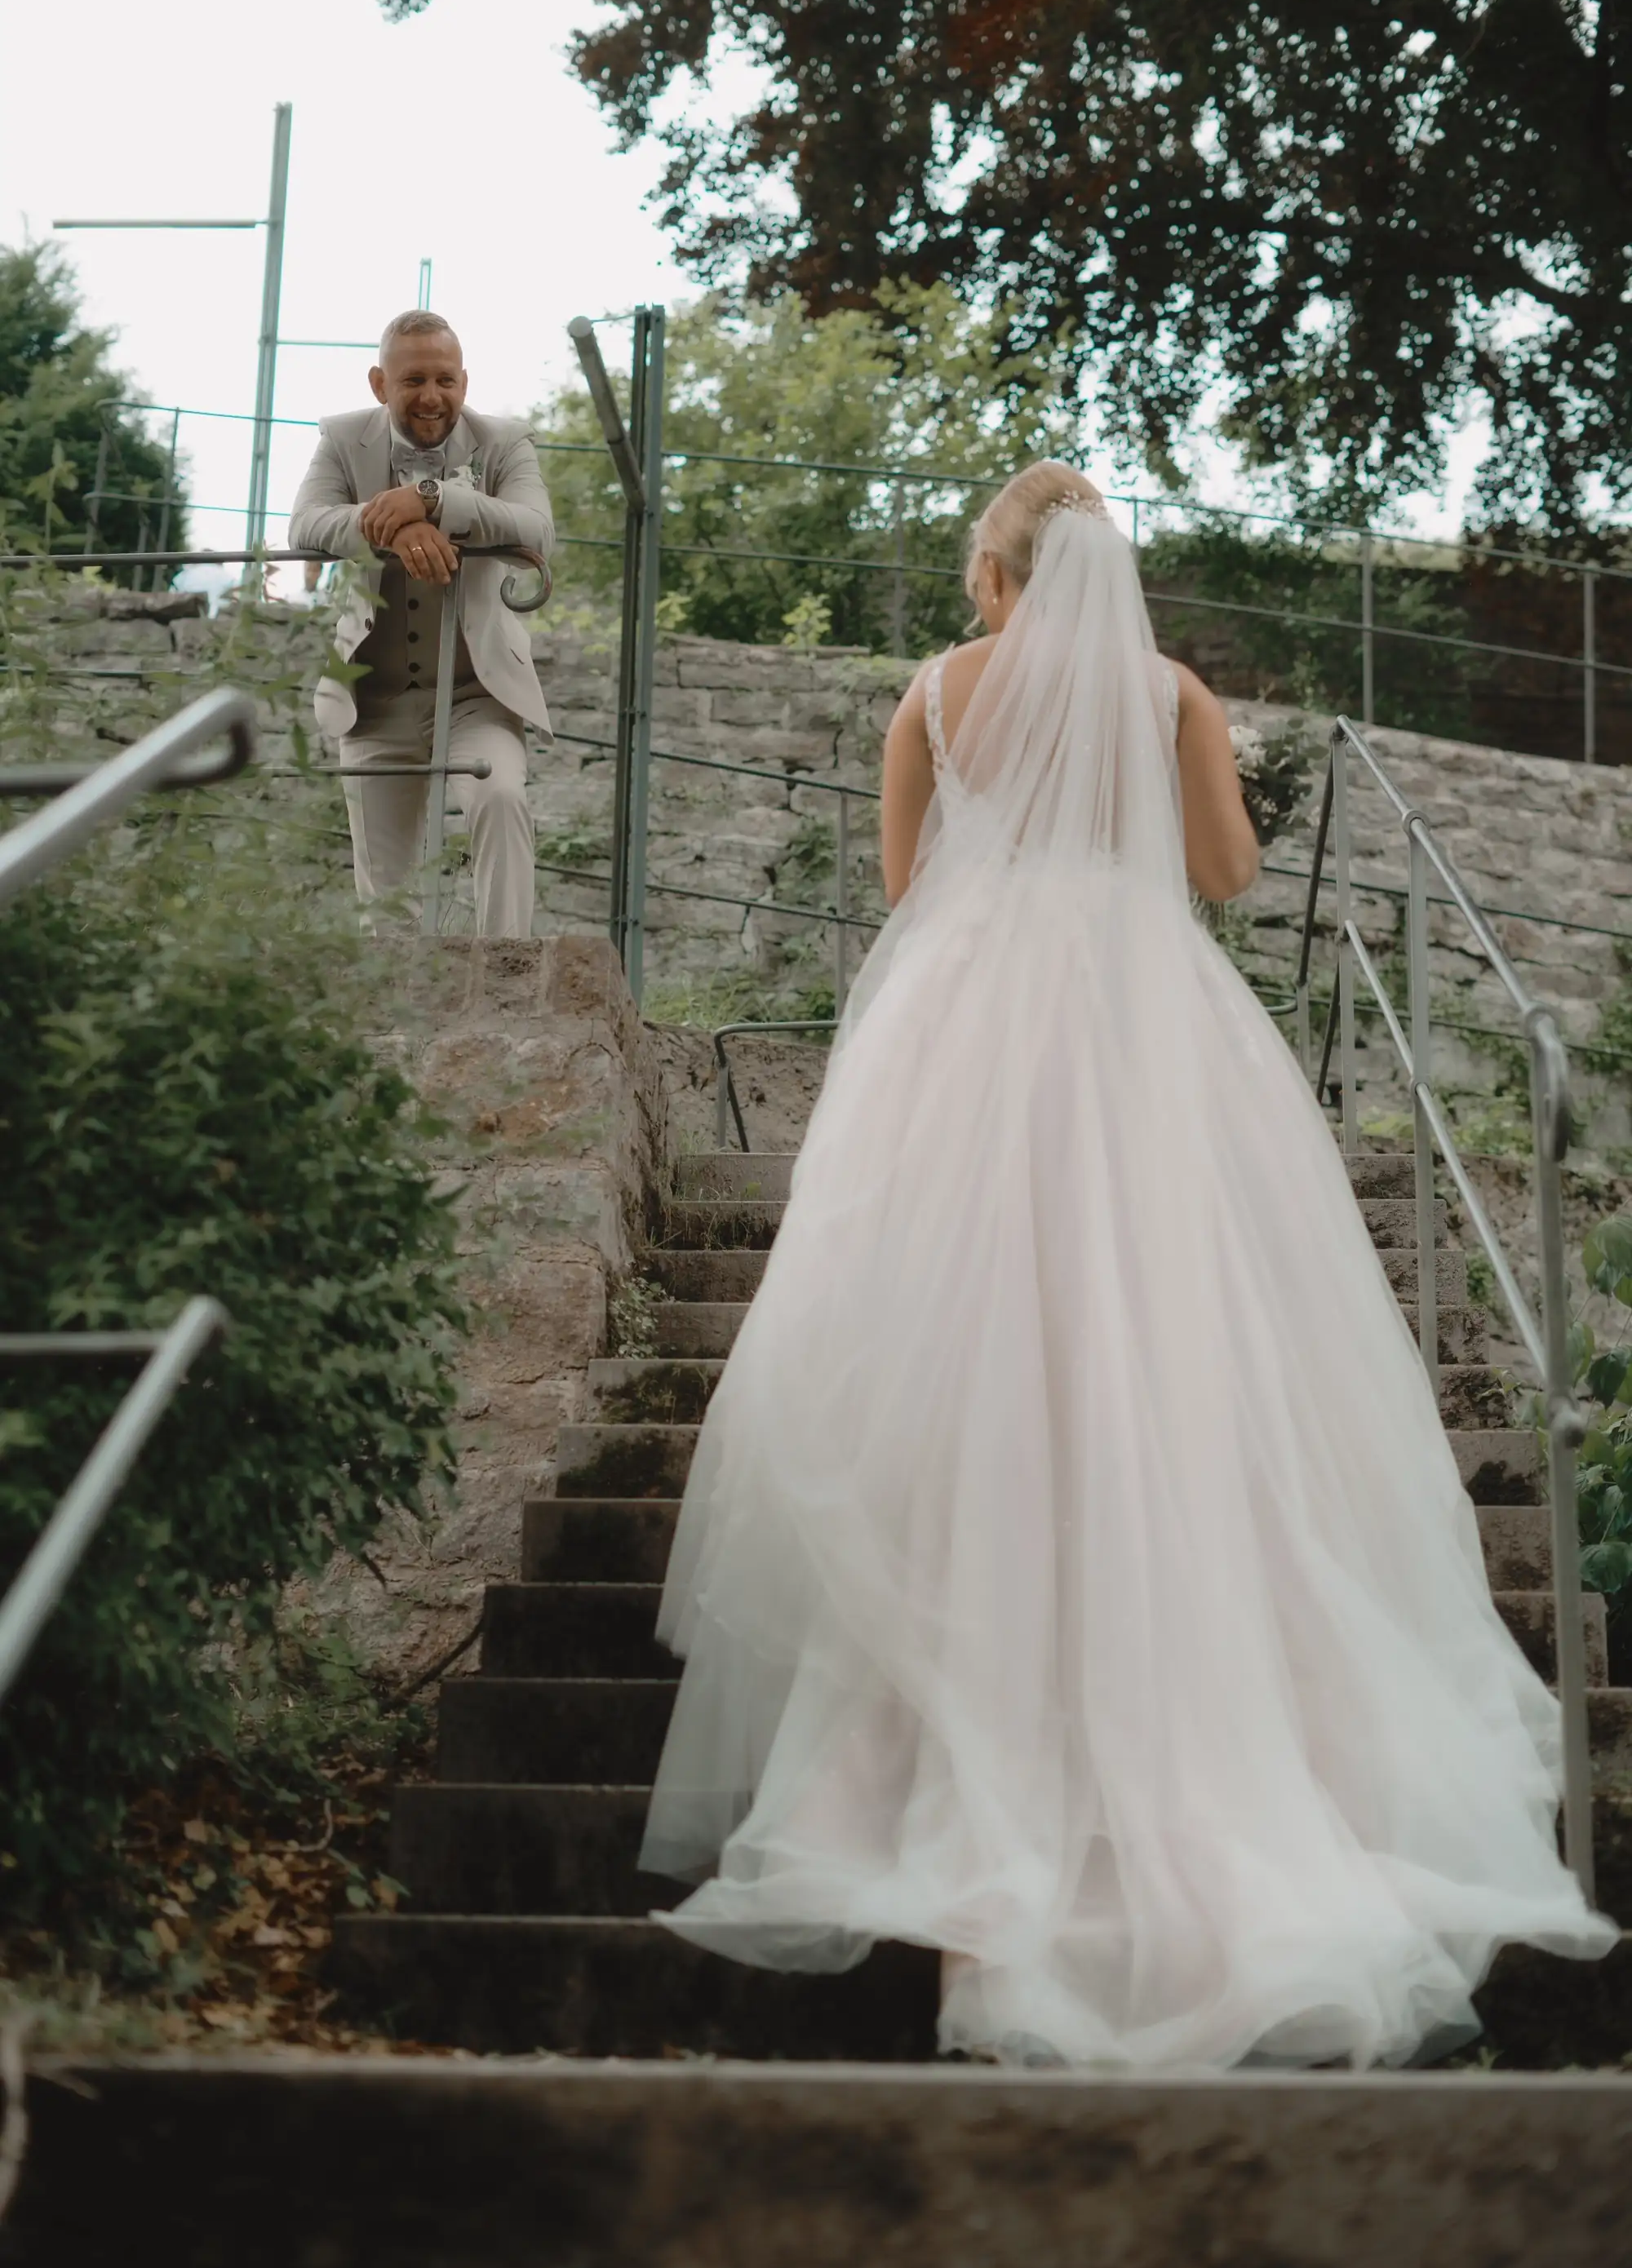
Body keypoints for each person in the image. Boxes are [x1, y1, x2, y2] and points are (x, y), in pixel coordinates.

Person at [639, 459, 1616, 2071]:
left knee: (963, 1371)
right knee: (1169, 1349)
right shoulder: (1167, 691)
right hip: (1143, 1033)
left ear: (994, 570)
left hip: (961, 1037)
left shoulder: (936, 692)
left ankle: (944, 1793)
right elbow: (1225, 878)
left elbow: (904, 889)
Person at [288, 309, 553, 937]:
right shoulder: (341, 438)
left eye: (445, 380)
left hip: (475, 696)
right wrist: (396, 524)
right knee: (385, 891)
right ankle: (398, 1014)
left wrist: (434, 500)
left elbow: (537, 529)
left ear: (464, 381)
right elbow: (305, 525)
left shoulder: (505, 442)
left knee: (503, 799)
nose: (432, 397)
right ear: (381, 385)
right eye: (413, 382)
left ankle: (507, 973)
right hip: (373, 697)